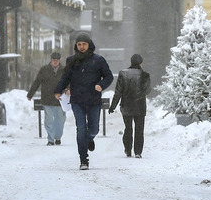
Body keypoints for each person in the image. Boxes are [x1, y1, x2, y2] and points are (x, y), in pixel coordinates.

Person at [54, 31, 113, 170]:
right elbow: (65, 78)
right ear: (76, 45)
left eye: (84, 44)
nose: (81, 47)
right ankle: (83, 159)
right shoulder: (71, 60)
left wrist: (101, 85)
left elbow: (109, 77)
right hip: (77, 100)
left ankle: (89, 138)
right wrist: (58, 90)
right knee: (81, 128)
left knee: (94, 128)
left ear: (89, 45)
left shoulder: (98, 60)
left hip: (93, 100)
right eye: (79, 44)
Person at [108, 53, 152, 158]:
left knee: (128, 128)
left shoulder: (123, 74)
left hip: (126, 105)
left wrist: (113, 106)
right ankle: (138, 152)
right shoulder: (145, 75)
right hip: (140, 106)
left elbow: (118, 92)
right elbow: (148, 90)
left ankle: (128, 150)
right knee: (139, 129)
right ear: (141, 63)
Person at [26, 52, 68, 145]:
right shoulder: (44, 70)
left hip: (60, 100)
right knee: (49, 120)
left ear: (59, 60)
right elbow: (37, 82)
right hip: (47, 99)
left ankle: (58, 137)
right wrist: (30, 94)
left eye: (57, 60)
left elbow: (69, 82)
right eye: (54, 59)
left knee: (60, 120)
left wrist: (68, 89)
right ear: (51, 60)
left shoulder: (64, 70)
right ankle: (50, 139)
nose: (55, 61)